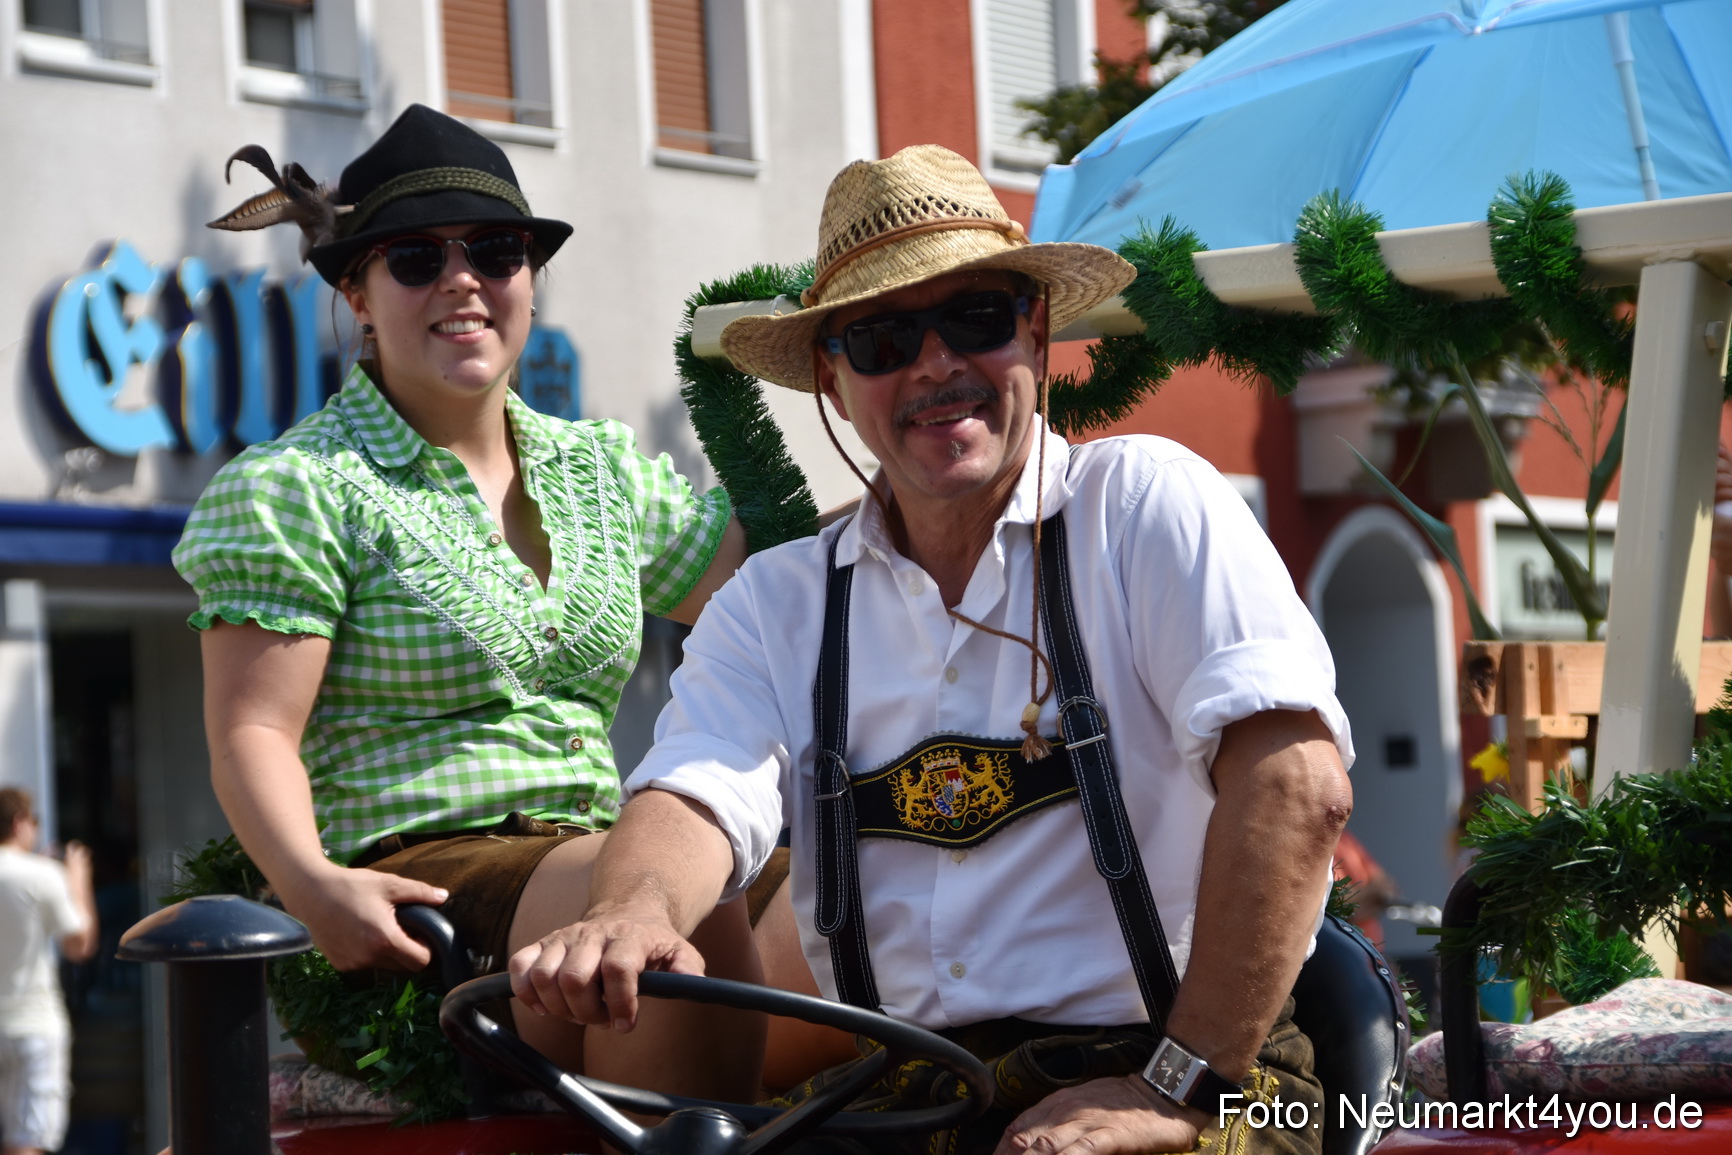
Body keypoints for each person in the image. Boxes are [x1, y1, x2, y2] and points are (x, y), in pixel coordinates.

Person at [508, 145, 1356, 1155]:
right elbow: (696, 788)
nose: (936, 364)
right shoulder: (780, 601)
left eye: (975, 319)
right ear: (831, 376)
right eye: (881, 337)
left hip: (1196, 1067)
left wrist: (1172, 1085)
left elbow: (1298, 789)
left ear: (1036, 334)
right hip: (907, 1089)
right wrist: (636, 908)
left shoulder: (1142, 506)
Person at [172, 104, 762, 1097]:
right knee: (672, 913)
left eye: (494, 251)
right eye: (414, 259)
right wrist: (314, 887)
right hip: (413, 888)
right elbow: (252, 733)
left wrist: (935, 463)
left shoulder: (598, 470)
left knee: (873, 914)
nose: (463, 281)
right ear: (357, 294)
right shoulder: (298, 487)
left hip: (594, 852)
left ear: (529, 280)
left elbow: (771, 587)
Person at [0, 788, 97, 1155]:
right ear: (19, 822)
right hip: (32, 1026)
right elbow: (79, 945)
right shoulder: (43, 875)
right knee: (25, 1141)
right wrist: (77, 879)